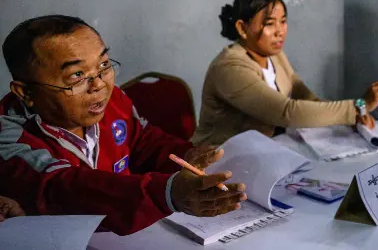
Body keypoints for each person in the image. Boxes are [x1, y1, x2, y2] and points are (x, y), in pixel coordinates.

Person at [0, 15, 246, 235]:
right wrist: (166, 194)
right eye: (76, 75)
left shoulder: (113, 101)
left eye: (104, 65)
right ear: (26, 93)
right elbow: (65, 186)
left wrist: (189, 155)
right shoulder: (10, 135)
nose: (99, 85)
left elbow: (144, 141)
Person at [192, 0, 378, 147]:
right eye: (270, 23)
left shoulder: (274, 54)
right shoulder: (230, 67)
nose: (280, 31)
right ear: (242, 28)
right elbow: (287, 112)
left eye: (283, 21)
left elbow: (303, 94)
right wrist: (357, 106)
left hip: (265, 149)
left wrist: (350, 118)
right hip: (221, 160)